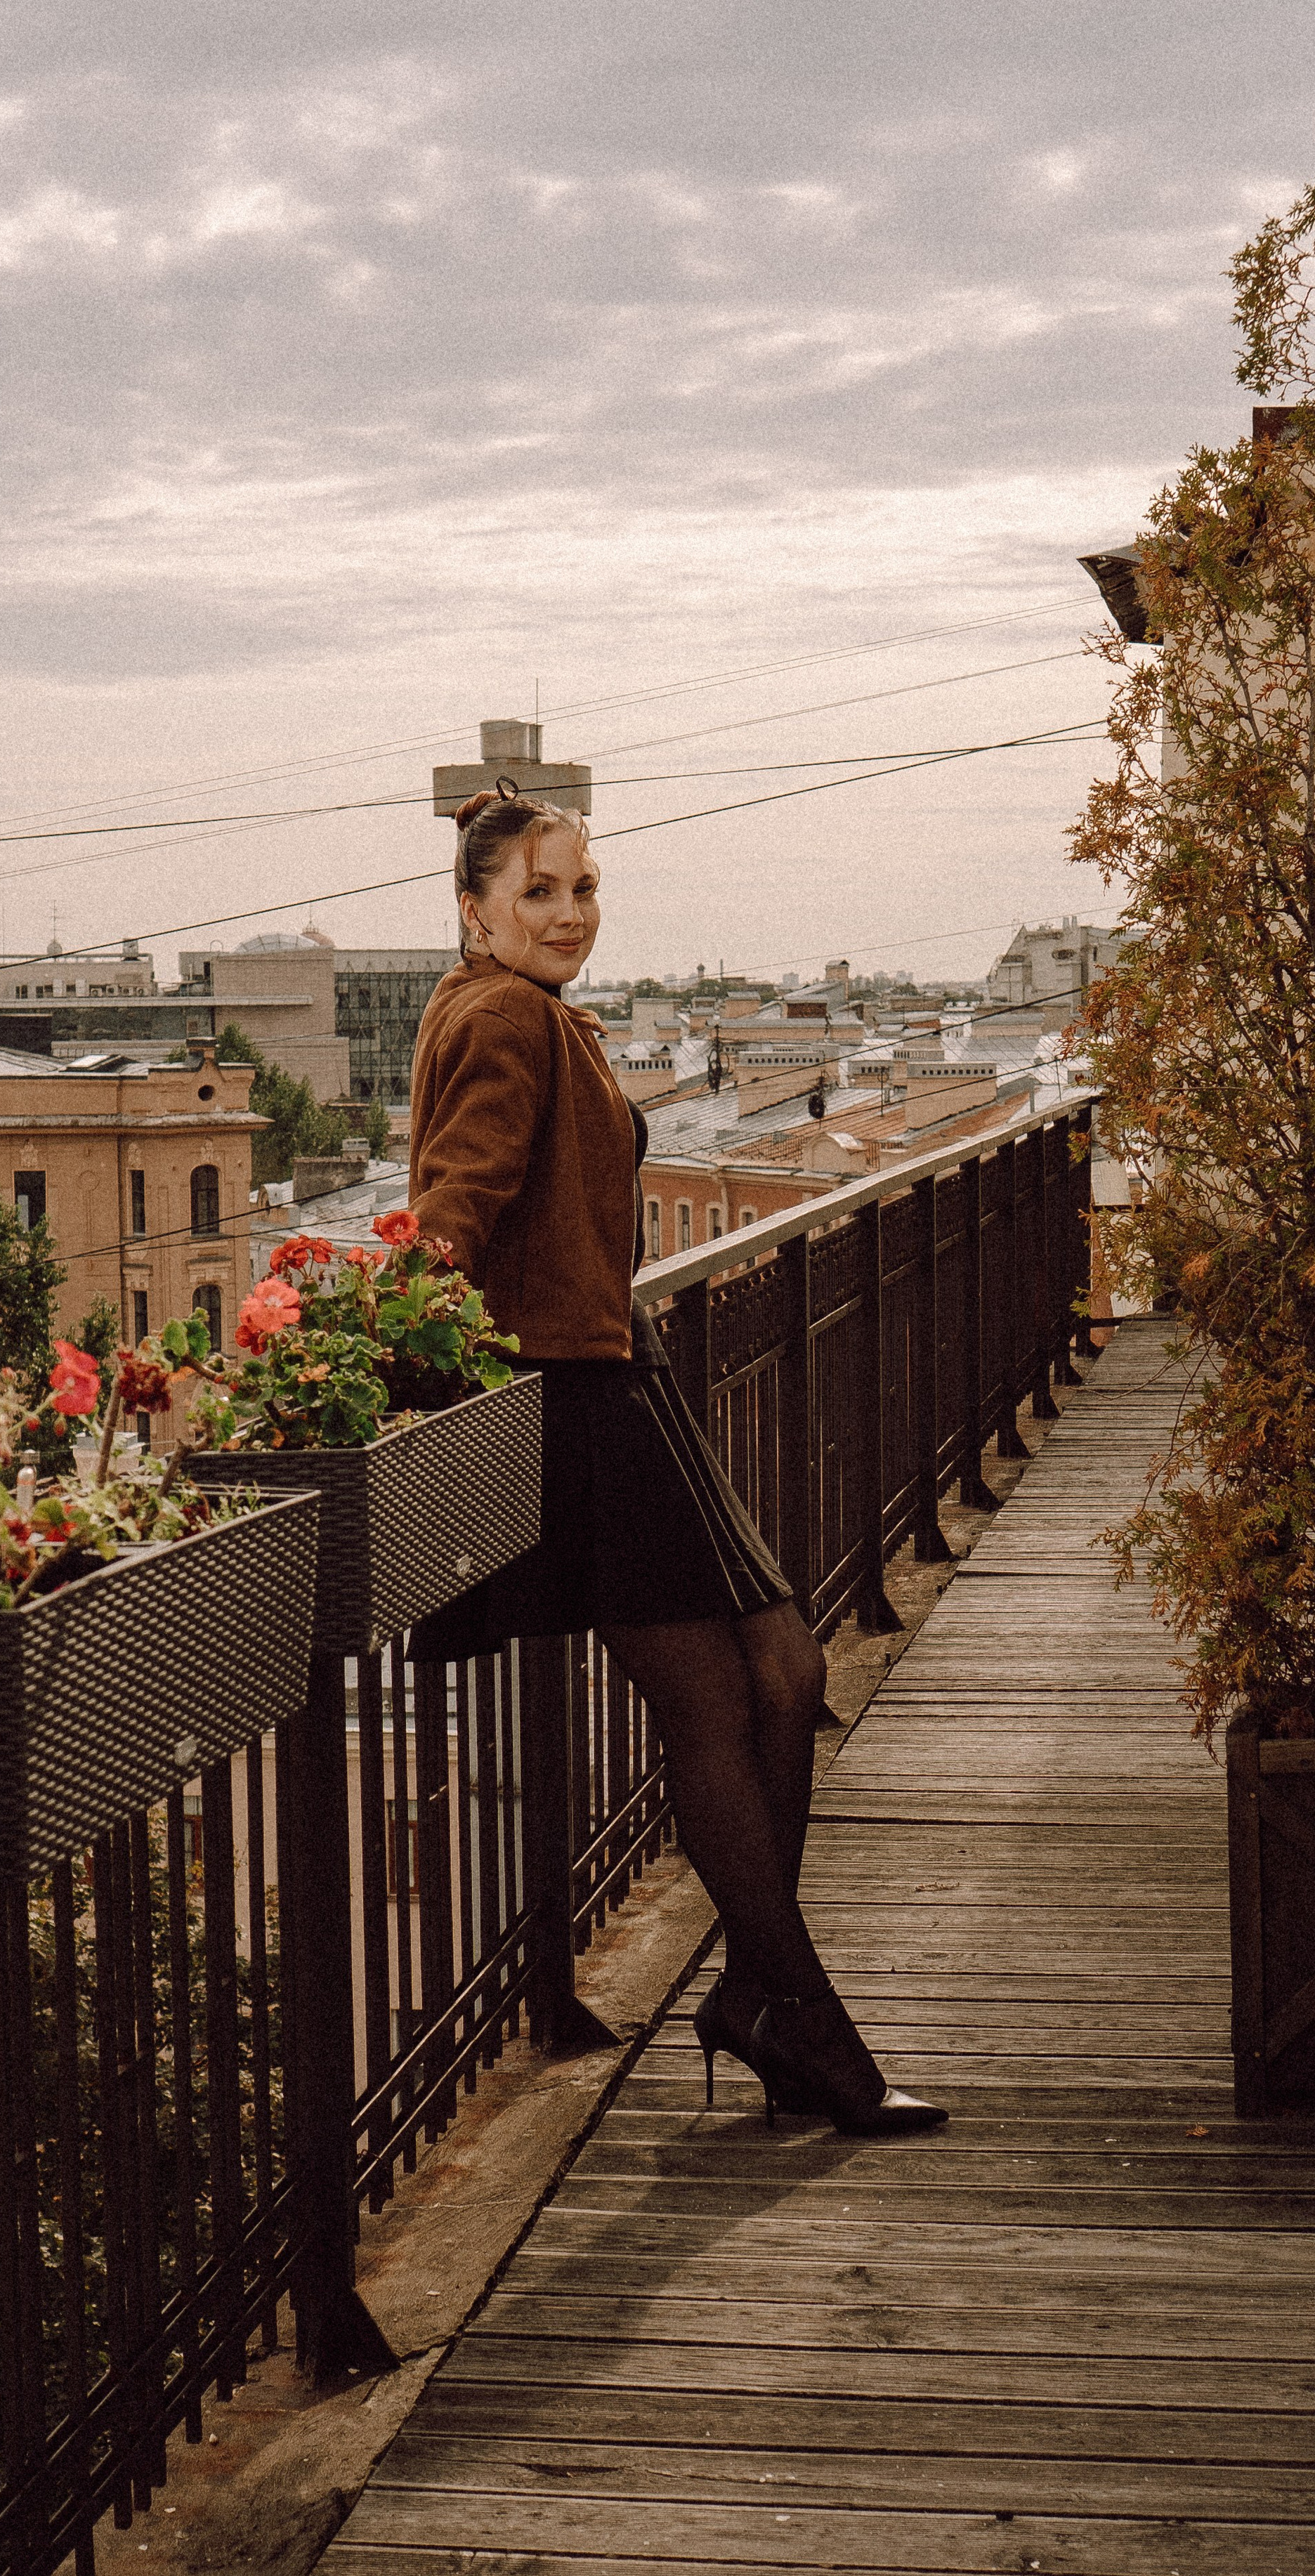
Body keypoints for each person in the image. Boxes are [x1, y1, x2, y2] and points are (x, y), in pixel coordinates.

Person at [406, 783, 945, 2136]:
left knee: (785, 1672)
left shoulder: (517, 1008)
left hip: (614, 1374)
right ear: (474, 908)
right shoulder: (505, 1017)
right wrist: (368, 1335)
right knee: (723, 1701)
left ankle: (760, 1995)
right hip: (572, 1397)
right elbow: (454, 1204)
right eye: (538, 891)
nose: (569, 913)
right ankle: (797, 2016)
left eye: (583, 888)